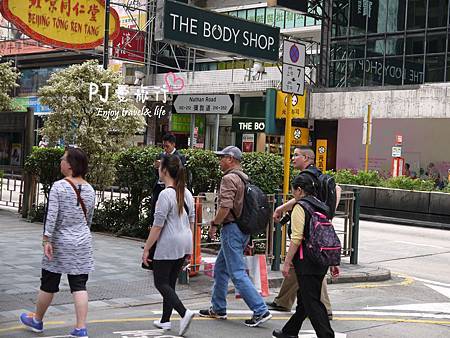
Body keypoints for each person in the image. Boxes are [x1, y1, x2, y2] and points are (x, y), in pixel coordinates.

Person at [19, 148, 95, 338]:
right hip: (83, 242)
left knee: (49, 283)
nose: (60, 162)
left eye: (63, 159)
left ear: (70, 165)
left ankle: (37, 320)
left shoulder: (59, 187)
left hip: (60, 242)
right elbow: (89, 219)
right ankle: (80, 328)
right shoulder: (90, 189)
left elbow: (51, 216)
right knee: (79, 285)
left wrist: (46, 239)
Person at [199, 146, 272, 327]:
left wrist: (214, 224)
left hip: (231, 229)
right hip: (242, 229)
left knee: (237, 273)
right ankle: (218, 308)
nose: (220, 161)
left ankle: (260, 310)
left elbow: (225, 207)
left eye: (222, 157)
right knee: (221, 269)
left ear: (231, 159)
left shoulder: (229, 178)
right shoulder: (243, 178)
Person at [268, 146, 340, 318]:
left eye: (296, 155)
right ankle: (283, 301)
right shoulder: (319, 175)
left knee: (310, 265)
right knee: (298, 266)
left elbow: (302, 199)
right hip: (316, 226)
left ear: (307, 158)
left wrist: (281, 208)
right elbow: (337, 191)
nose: (292, 158)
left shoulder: (305, 177)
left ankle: (324, 308)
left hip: (308, 229)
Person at [272, 174, 335, 338]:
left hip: (306, 260)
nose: (293, 194)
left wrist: (286, 262)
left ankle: (326, 335)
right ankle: (290, 331)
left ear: (299, 190)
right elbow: (328, 234)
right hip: (321, 259)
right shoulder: (321, 205)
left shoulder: (301, 207)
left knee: (312, 301)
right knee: (305, 298)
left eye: (293, 191)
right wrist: (333, 262)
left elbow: (297, 237)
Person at [142, 155, 195, 336]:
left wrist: (147, 248)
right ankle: (165, 320)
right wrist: (191, 248)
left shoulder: (165, 194)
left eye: (160, 167)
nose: (158, 169)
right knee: (170, 283)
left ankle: (184, 312)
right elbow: (192, 221)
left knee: (161, 283)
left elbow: (158, 226)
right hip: (184, 241)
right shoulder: (187, 193)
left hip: (169, 242)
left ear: (164, 171)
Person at [149, 133, 186, 227]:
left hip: (172, 188)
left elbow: (179, 172)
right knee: (155, 210)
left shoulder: (179, 157)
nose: (165, 149)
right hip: (159, 187)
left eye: (167, 146)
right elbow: (156, 174)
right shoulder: (161, 155)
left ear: (173, 144)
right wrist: (157, 167)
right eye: (163, 146)